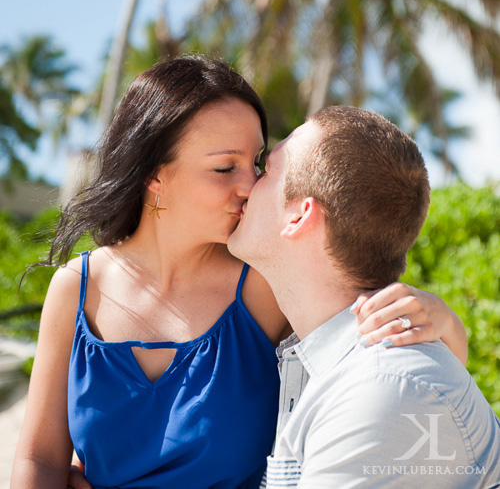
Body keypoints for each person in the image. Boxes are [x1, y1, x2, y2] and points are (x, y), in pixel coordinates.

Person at [11, 58, 467, 489]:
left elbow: (389, 363)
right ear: (154, 174)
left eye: (255, 163)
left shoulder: (266, 287)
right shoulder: (76, 289)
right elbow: (40, 459)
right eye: (224, 167)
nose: (249, 185)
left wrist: (442, 318)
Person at [227, 106, 500, 488]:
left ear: (299, 215)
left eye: (267, 169)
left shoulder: (382, 389)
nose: (247, 185)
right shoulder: (328, 363)